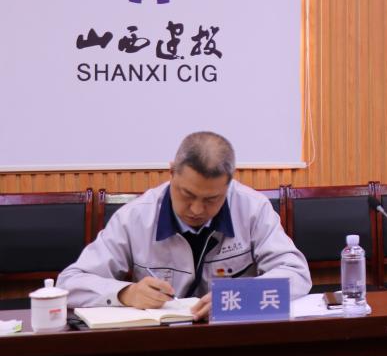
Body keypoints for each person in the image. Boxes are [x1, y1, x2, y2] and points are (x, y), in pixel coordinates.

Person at [58, 131, 311, 319]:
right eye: (187, 194)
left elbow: (296, 274)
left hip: (233, 335)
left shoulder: (253, 209)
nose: (197, 210)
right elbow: (70, 282)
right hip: (159, 344)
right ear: (171, 172)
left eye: (212, 199)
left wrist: (239, 295)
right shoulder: (135, 217)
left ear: (229, 184)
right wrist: (126, 293)